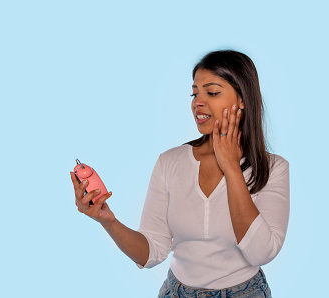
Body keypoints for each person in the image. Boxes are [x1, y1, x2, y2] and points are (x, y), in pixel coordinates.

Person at [70, 50, 289, 298]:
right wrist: (107, 220)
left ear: (242, 99)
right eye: (195, 93)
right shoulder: (170, 162)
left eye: (212, 92)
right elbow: (152, 251)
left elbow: (261, 253)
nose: (197, 102)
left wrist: (230, 166)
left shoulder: (273, 168)